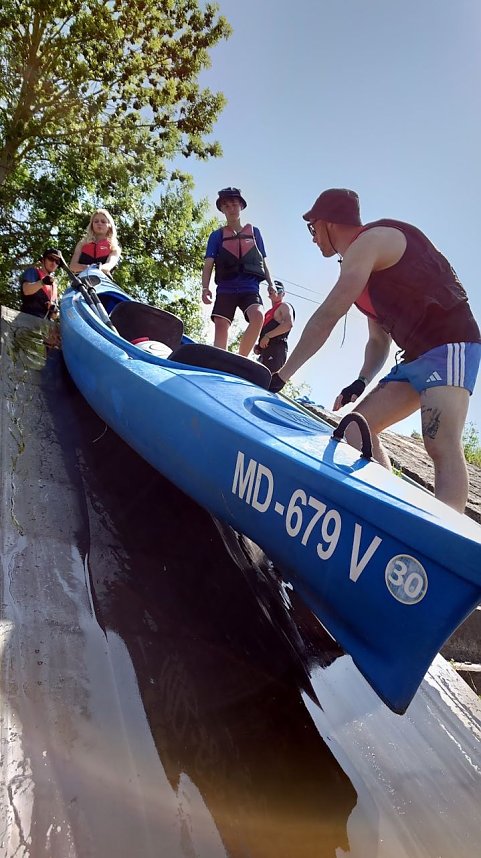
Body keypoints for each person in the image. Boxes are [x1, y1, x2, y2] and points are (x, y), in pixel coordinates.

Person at [269, 188, 481, 513]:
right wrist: (360, 381)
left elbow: (327, 315)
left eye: (313, 228)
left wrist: (281, 377)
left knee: (439, 440)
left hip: (449, 342)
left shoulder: (370, 242)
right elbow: (378, 341)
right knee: (356, 428)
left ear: (329, 223)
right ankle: (386, 513)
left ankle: (444, 535)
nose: (313, 238)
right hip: (413, 358)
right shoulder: (359, 268)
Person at [201, 187, 275, 356]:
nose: (231, 209)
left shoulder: (254, 233)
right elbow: (208, 264)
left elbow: (263, 260)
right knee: (221, 323)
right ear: (222, 210)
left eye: (234, 205)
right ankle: (220, 360)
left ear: (241, 206)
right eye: (226, 206)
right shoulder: (217, 235)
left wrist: (271, 284)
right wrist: (205, 288)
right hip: (226, 287)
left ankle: (241, 359)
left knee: (258, 316)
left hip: (249, 287)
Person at [254, 280, 295, 372]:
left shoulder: (284, 306)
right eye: (273, 290)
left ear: (283, 293)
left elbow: (288, 324)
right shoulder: (268, 313)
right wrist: (259, 346)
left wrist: (268, 336)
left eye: (278, 290)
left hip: (277, 350)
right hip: (265, 353)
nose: (275, 292)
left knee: (268, 381)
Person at [70, 209, 121, 274]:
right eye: (96, 221)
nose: (99, 223)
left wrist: (94, 268)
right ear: (92, 225)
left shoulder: (114, 248)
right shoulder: (82, 243)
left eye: (103, 222)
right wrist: (90, 267)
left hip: (103, 281)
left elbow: (108, 266)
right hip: (81, 280)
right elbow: (72, 266)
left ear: (109, 225)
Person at [20, 248, 61, 319]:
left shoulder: (54, 285)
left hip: (44, 325)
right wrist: (43, 282)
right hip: (28, 319)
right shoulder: (33, 272)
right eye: (51, 258)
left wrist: (54, 310)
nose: (54, 263)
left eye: (57, 261)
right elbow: (26, 290)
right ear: (43, 260)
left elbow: (54, 316)